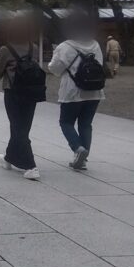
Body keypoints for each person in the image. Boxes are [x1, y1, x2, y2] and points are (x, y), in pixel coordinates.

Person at [48, 13, 105, 171]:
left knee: (66, 122)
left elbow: (55, 69)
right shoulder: (95, 44)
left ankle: (78, 148)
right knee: (86, 124)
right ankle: (83, 159)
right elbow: (100, 64)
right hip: (94, 91)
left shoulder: (65, 46)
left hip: (72, 91)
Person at [0, 20, 45, 181]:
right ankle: (8, 158)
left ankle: (30, 165)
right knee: (22, 127)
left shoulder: (6, 49)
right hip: (32, 92)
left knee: (18, 127)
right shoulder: (34, 47)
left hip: (13, 92)